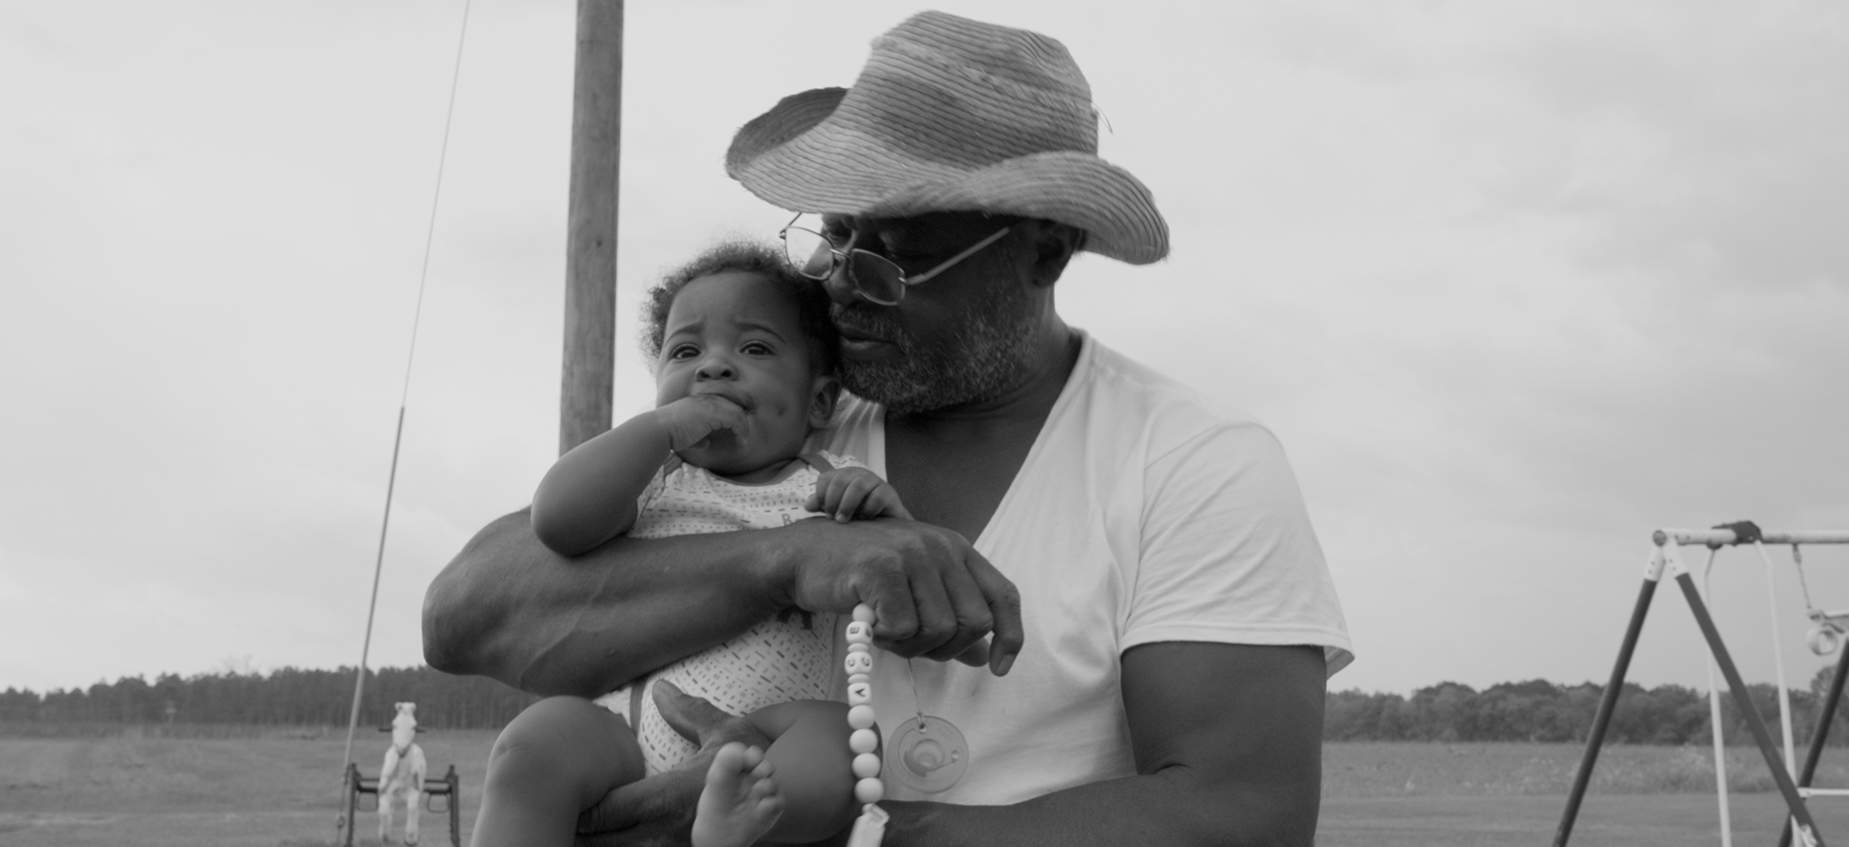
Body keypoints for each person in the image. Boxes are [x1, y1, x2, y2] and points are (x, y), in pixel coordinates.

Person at [425, 11, 1352, 846]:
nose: (837, 283)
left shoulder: (1192, 463)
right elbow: (467, 615)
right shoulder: (781, 420)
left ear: (1044, 250)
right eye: (835, 236)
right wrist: (787, 558)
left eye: (895, 257)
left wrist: (832, 821)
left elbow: (1242, 813)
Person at [471, 243, 922, 847]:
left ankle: (741, 819)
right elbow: (556, 521)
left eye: (754, 348)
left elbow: (898, 570)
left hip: (763, 732)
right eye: (685, 352)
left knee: (842, 737)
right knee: (534, 742)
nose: (713, 367)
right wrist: (655, 431)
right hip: (622, 730)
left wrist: (872, 507)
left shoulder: (830, 483)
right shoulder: (651, 481)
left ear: (819, 402)